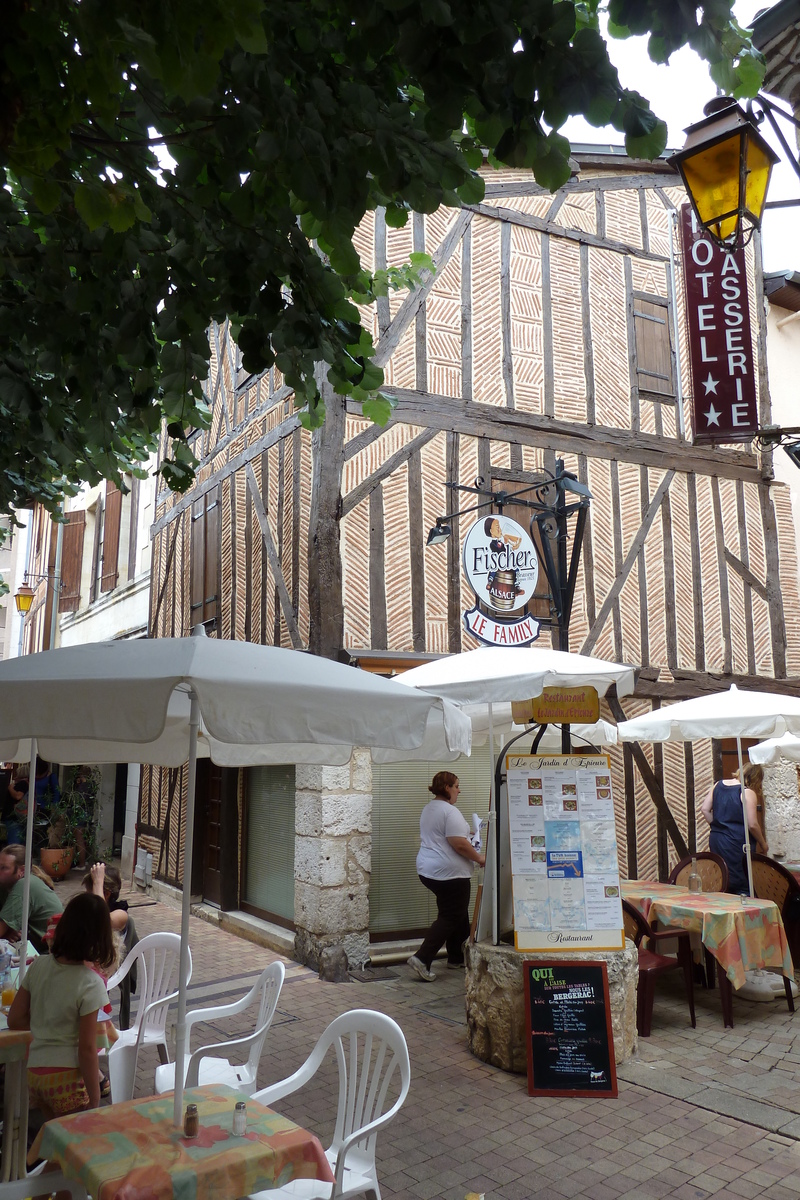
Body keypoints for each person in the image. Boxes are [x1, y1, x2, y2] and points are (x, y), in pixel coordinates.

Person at [8, 892, 115, 1117]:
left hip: (35, 1073)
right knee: (75, 1142)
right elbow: (87, 1049)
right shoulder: (90, 983)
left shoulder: (38, 966)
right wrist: (95, 1099)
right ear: (100, 938)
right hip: (67, 1077)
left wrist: (46, 1020)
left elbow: (15, 1019)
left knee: (55, 1140)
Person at [407, 772, 485, 982]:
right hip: (450, 874)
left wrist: (468, 839)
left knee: (456, 912)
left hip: (429, 870)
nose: (459, 790)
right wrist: (479, 858)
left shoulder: (429, 809)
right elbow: (458, 844)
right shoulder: (450, 812)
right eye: (457, 786)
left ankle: (456, 957)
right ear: (447, 787)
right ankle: (422, 958)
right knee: (451, 915)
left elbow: (444, 837)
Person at [700, 762, 768, 895]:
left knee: (723, 876)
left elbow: (705, 809)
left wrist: (718, 827)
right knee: (742, 880)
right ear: (756, 778)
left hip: (717, 839)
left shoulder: (717, 785)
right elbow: (752, 824)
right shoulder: (747, 792)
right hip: (737, 842)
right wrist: (763, 844)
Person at [0, 844, 63, 950]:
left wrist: (4, 932)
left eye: (4, 868)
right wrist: (6, 933)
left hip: (53, 953)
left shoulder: (25, 885)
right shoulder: (5, 885)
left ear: (22, 871)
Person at [6, 758, 60, 846]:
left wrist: (54, 807)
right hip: (29, 807)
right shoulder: (30, 776)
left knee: (40, 831)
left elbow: (57, 792)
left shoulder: (51, 776)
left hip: (44, 808)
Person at [83, 863, 129, 933]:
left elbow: (102, 923)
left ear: (107, 894)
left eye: (90, 891)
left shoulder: (121, 914)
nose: (86, 894)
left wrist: (98, 882)